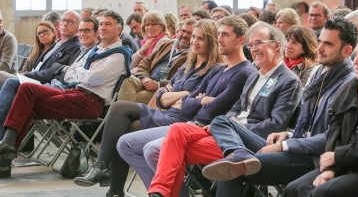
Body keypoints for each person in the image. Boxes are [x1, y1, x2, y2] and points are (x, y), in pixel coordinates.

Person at [202, 18, 358, 197]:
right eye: (320, 41)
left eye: (328, 44)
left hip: (313, 158)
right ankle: (237, 152)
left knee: (233, 169)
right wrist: (289, 135)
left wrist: (286, 144)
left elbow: (332, 137)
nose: (319, 48)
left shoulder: (348, 85)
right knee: (221, 125)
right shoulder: (320, 73)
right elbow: (307, 126)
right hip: (293, 145)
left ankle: (238, 155)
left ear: (346, 51)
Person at [146, 22, 303, 197]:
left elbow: (275, 124)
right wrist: (226, 124)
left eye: (259, 43)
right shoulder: (254, 77)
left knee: (171, 150)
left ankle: (160, 192)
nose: (253, 49)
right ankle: (158, 192)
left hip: (248, 143)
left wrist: (235, 127)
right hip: (226, 133)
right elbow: (234, 110)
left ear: (276, 45)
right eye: (250, 45)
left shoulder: (288, 80)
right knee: (177, 131)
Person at [73, 20, 227, 197]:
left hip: (181, 121)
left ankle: (111, 182)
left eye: (201, 38)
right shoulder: (188, 64)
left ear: (211, 42)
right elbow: (163, 94)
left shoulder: (214, 69)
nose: (194, 41)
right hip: (164, 112)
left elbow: (190, 102)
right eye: (193, 37)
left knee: (122, 121)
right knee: (119, 110)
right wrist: (176, 94)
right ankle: (110, 181)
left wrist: (174, 95)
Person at [115, 16, 256, 196]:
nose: (219, 39)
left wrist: (195, 101)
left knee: (152, 149)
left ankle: (165, 193)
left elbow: (213, 109)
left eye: (225, 35)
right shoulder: (219, 69)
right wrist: (199, 100)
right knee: (125, 142)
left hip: (205, 129)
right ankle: (160, 191)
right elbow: (190, 103)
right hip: (190, 125)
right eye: (219, 34)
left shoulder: (243, 72)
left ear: (241, 40)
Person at [0, 10, 132, 175]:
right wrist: (80, 74)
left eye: (108, 24)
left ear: (119, 29)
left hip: (90, 102)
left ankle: (5, 154)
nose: (103, 27)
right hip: (74, 92)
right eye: (102, 23)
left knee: (25, 97)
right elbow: (74, 73)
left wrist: (78, 73)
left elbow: (93, 79)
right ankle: (7, 149)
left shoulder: (119, 55)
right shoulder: (95, 51)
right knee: (26, 92)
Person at [284, 33, 358, 197]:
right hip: (342, 163)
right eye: (356, 55)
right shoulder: (350, 89)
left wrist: (337, 159)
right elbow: (335, 132)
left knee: (323, 192)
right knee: (295, 188)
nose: (356, 61)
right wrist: (330, 169)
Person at [117, 19, 195, 104]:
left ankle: (122, 112)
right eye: (183, 31)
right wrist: (144, 78)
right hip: (147, 79)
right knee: (128, 80)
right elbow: (145, 62)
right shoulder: (167, 45)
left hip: (163, 89)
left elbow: (182, 80)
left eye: (189, 33)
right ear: (178, 31)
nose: (184, 35)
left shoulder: (194, 55)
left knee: (135, 97)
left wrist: (158, 85)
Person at [0, 21, 56, 88]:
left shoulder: (57, 51)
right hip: (26, 79)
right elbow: (24, 70)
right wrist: (23, 75)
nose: (42, 35)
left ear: (54, 33)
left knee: (1, 75)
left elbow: (5, 66)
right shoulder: (35, 51)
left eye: (45, 31)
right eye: (39, 33)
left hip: (41, 82)